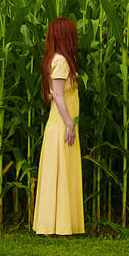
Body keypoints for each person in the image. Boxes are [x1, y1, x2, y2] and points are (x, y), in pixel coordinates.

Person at [32, 17, 85, 236]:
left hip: (57, 123)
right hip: (62, 124)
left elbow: (50, 93)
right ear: (66, 37)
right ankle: (59, 226)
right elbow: (60, 97)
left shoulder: (53, 59)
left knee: (59, 173)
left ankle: (53, 225)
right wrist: (70, 124)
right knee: (60, 173)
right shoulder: (61, 61)